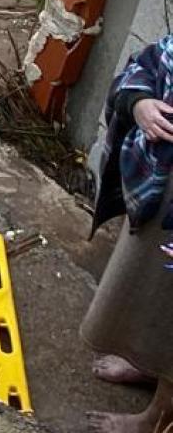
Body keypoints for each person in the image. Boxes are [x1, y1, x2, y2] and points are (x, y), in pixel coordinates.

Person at [82, 34, 173, 433]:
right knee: (143, 291)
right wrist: (140, 105)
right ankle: (143, 361)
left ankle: (154, 418)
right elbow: (145, 66)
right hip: (161, 200)